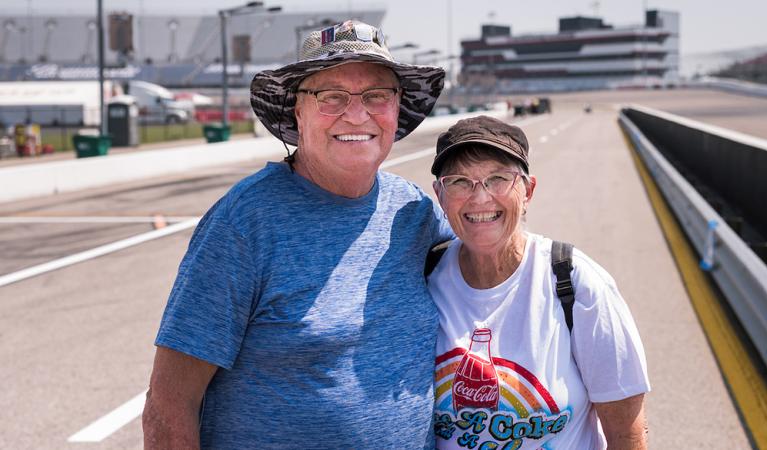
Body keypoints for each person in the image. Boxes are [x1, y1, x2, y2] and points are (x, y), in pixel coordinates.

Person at [142, 20, 452, 449]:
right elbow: (169, 401)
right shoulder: (245, 223)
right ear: (297, 111)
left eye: (377, 95)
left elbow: (493, 281)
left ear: (396, 109)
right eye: (332, 96)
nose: (357, 114)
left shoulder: (415, 212)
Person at [427, 116, 651, 449]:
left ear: (528, 190)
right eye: (460, 181)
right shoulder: (426, 278)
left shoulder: (577, 285)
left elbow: (626, 434)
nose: (480, 198)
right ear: (440, 195)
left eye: (498, 179)